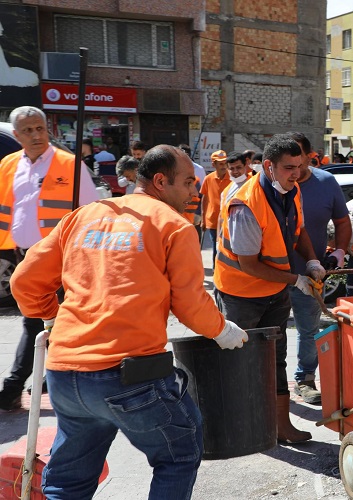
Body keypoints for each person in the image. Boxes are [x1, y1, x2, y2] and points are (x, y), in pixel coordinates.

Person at [9, 144, 248, 499]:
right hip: (130, 377)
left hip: (65, 376)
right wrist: (222, 329)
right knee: (179, 453)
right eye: (187, 183)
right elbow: (190, 305)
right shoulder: (174, 227)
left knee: (68, 482)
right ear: (161, 181)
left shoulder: (84, 215)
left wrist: (53, 316)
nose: (194, 191)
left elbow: (24, 282)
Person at [213, 134, 324, 443]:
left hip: (274, 291)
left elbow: (297, 230)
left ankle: (280, 426)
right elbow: (248, 265)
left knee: (275, 358)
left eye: (300, 166)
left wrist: (312, 260)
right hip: (241, 296)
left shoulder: (293, 189)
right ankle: (240, 428)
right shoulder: (245, 204)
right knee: (240, 361)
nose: (297, 173)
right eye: (289, 167)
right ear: (268, 166)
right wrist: (295, 280)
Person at [0, 106, 99, 411]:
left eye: (40, 128)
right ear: (16, 135)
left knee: (37, 320)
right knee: (47, 321)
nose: (35, 135)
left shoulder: (69, 164)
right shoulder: (9, 164)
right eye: (27, 130)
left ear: (48, 130)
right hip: (26, 255)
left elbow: (93, 213)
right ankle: (49, 378)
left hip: (63, 255)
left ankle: (14, 386)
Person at [288, 132, 351, 405]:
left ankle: (304, 379)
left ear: (309, 155)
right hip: (270, 272)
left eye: (298, 160)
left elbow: (343, 222)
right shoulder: (273, 184)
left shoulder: (326, 183)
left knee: (309, 328)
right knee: (273, 330)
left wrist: (339, 251)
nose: (294, 168)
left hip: (311, 273)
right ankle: (275, 381)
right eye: (288, 162)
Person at [200, 150, 231, 266]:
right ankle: (215, 272)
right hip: (212, 220)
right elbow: (204, 198)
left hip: (228, 220)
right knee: (216, 248)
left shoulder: (233, 178)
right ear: (214, 165)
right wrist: (203, 219)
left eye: (225, 163)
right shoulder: (208, 178)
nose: (224, 166)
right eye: (220, 164)